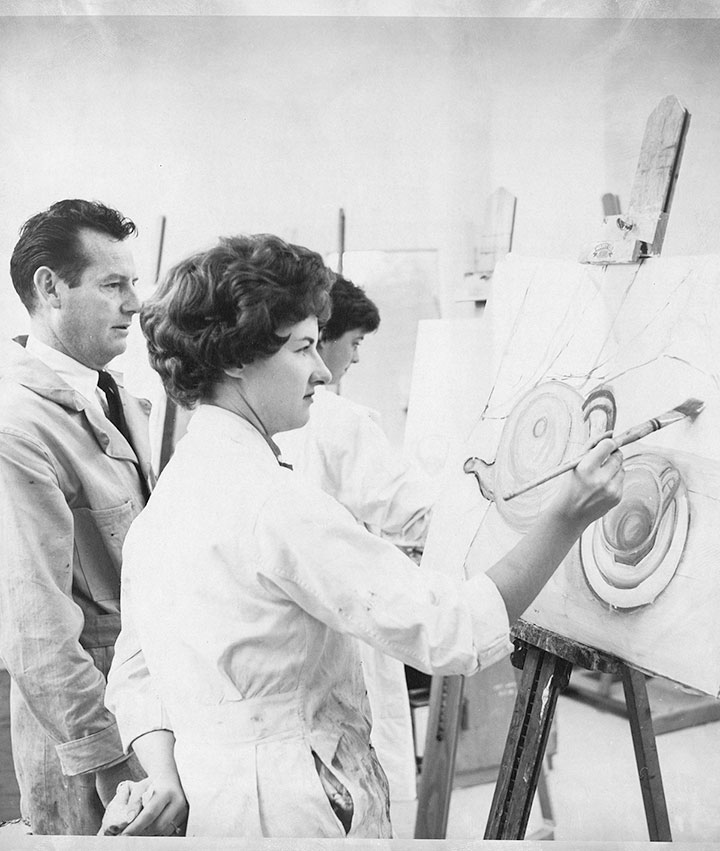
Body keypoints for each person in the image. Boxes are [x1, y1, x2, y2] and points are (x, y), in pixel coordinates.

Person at [102, 233, 624, 838]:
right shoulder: (273, 503)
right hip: (293, 806)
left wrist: (162, 771)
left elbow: (136, 668)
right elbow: (451, 629)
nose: (323, 370)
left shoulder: (173, 494)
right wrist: (566, 518)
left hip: (210, 794)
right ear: (237, 359)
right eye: (302, 349)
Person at [0, 199, 152, 834]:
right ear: (49, 288)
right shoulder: (17, 427)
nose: (135, 303)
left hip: (146, 712)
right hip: (91, 741)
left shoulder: (121, 396)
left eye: (133, 283)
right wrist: (109, 755)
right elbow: (36, 628)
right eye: (113, 285)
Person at [276, 276, 434, 803]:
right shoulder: (338, 419)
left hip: (283, 642)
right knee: (369, 783)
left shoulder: (254, 421)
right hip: (347, 628)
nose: (357, 358)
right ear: (320, 339)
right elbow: (413, 513)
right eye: (356, 342)